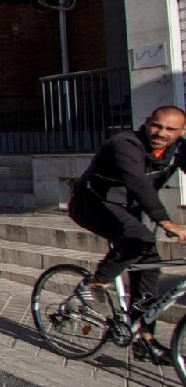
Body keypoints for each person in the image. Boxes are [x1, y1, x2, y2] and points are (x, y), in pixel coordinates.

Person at [68, 106, 186, 365]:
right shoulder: (125, 144)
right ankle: (93, 284)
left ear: (182, 131)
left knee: (150, 266)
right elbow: (138, 185)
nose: (161, 133)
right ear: (146, 123)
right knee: (139, 237)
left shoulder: (179, 149)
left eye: (170, 129)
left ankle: (144, 340)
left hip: (129, 208)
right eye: (156, 126)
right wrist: (166, 222)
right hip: (92, 203)